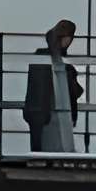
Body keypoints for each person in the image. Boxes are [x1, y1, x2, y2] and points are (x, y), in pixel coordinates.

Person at [24, 19, 83, 153]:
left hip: (37, 111)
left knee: (39, 150)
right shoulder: (62, 63)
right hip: (51, 112)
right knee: (54, 150)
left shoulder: (40, 56)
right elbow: (70, 90)